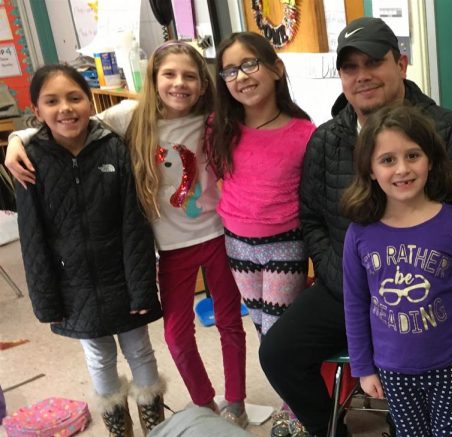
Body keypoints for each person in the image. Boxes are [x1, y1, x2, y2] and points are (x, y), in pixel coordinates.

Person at [6, 42, 249, 427]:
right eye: (169, 74)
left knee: (230, 321)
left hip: (219, 236)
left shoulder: (214, 118)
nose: (179, 83)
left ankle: (235, 399)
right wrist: (18, 140)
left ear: (203, 84)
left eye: (189, 76)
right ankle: (204, 402)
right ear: (153, 80)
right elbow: (69, 122)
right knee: (176, 335)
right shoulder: (130, 116)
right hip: (170, 247)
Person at [258, 17, 452, 437]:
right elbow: (313, 220)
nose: (362, 76)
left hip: (424, 291)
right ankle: (332, 430)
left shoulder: (447, 131)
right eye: (350, 67)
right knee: (277, 353)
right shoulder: (325, 140)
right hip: (346, 288)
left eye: (373, 61)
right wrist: (343, 278)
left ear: (402, 64)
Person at [16, 64, 165, 436]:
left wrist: (142, 286)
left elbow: (135, 224)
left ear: (90, 101)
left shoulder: (114, 146)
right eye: (52, 101)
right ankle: (119, 427)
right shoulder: (29, 159)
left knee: (140, 351)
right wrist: (47, 302)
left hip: (123, 280)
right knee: (98, 357)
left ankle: (155, 424)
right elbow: (32, 238)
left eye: (74, 97)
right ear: (37, 111)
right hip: (73, 287)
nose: (65, 108)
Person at [341, 105, 452, 436]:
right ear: (369, 169)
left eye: (413, 155)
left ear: (430, 160)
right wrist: (363, 367)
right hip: (392, 368)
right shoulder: (359, 233)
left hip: (449, 365)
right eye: (388, 160)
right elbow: (354, 305)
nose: (402, 169)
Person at [208, 31, 316, 436]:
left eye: (250, 64)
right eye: (230, 70)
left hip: (284, 245)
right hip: (237, 245)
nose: (241, 76)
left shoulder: (304, 131)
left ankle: (296, 409)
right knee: (261, 327)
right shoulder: (219, 125)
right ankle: (293, 400)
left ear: (276, 67)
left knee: (278, 336)